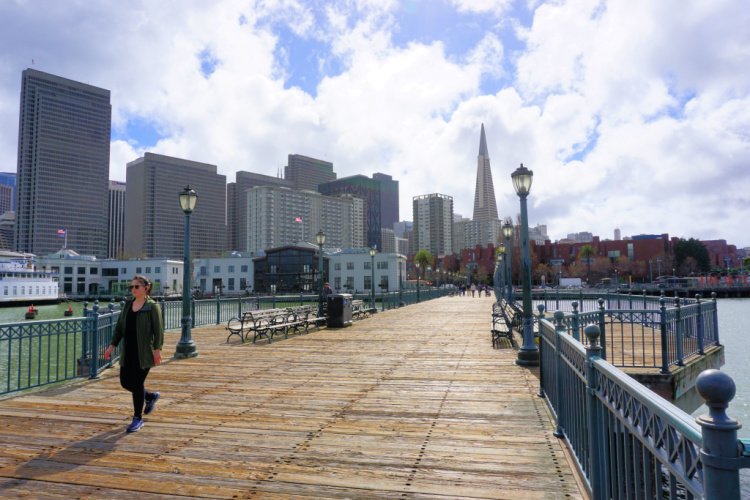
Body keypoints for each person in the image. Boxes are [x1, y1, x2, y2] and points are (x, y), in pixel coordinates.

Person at [104, 275, 164, 433]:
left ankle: (137, 418)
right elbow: (119, 328)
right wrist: (112, 346)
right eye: (131, 287)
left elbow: (158, 331)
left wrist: (157, 350)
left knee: (137, 384)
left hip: (143, 352)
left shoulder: (152, 306)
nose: (133, 290)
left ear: (146, 288)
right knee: (125, 382)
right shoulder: (128, 305)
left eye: (136, 287)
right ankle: (149, 396)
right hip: (128, 351)